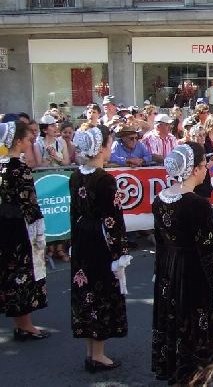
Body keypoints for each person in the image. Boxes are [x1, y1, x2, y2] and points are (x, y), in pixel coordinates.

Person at [152, 143, 213, 383]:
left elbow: (160, 242)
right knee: (195, 320)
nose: (207, 169)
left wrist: (159, 270)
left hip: (168, 267)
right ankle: (192, 372)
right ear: (194, 169)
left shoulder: (160, 199)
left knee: (173, 317)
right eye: (204, 165)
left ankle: (176, 367)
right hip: (191, 271)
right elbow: (209, 249)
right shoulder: (197, 205)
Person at [70, 126, 131, 372]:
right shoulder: (105, 179)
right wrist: (119, 253)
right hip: (100, 241)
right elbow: (113, 219)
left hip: (83, 238)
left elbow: (74, 213)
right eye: (109, 143)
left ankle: (91, 351)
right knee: (100, 291)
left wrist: (74, 242)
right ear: (102, 147)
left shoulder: (76, 176)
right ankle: (97, 355)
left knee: (86, 292)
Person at [0, 121, 49, 341]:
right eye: (28, 139)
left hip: (4, 224)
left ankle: (21, 323)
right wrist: (39, 232)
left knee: (11, 272)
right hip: (20, 226)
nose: (30, 143)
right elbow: (30, 203)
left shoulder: (1, 166)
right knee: (23, 272)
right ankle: (25, 325)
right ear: (18, 140)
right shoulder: (19, 169)